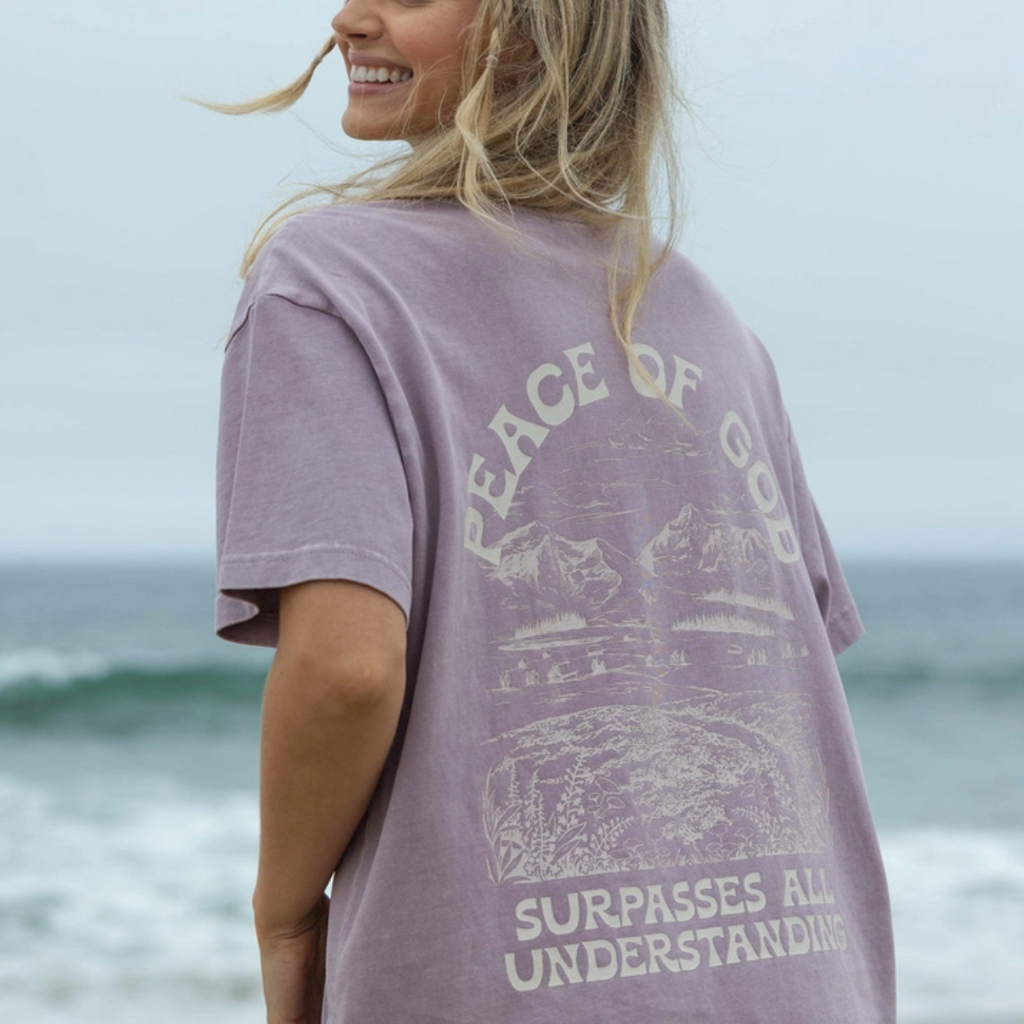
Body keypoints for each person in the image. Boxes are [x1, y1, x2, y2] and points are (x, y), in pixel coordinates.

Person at [212, 1, 896, 1021]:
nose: (348, 18)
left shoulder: (332, 281)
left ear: (535, 27)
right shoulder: (706, 319)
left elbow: (347, 669)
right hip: (806, 980)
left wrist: (281, 913)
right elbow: (779, 673)